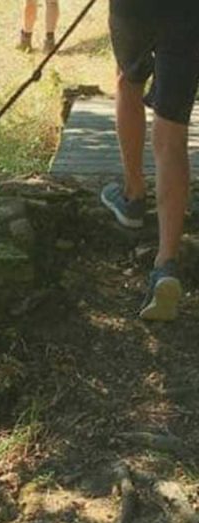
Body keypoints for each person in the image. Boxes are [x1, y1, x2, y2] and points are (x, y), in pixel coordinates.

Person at [100, 1, 199, 321]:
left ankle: (133, 194)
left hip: (135, 9)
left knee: (127, 81)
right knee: (172, 135)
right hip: (189, 14)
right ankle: (165, 263)